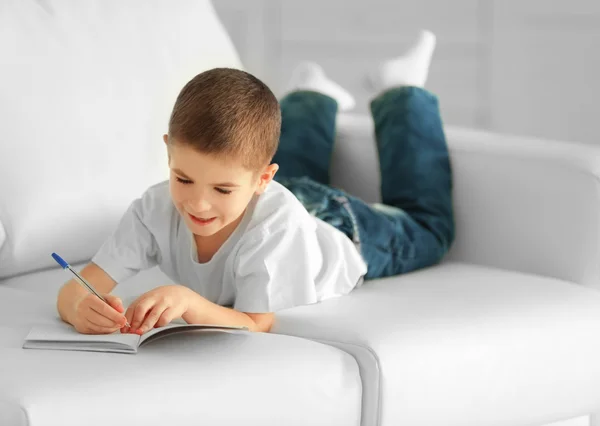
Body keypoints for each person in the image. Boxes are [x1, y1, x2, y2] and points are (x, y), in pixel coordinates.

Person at [56, 29, 454, 336]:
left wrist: (187, 301)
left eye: (220, 190)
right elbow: (77, 287)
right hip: (279, 199)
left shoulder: (274, 225)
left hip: (341, 227)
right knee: (272, 170)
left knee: (429, 228)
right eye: (183, 178)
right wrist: (79, 309)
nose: (198, 203)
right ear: (168, 152)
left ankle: (405, 94)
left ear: (264, 179)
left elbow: (257, 323)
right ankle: (309, 95)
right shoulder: (152, 210)